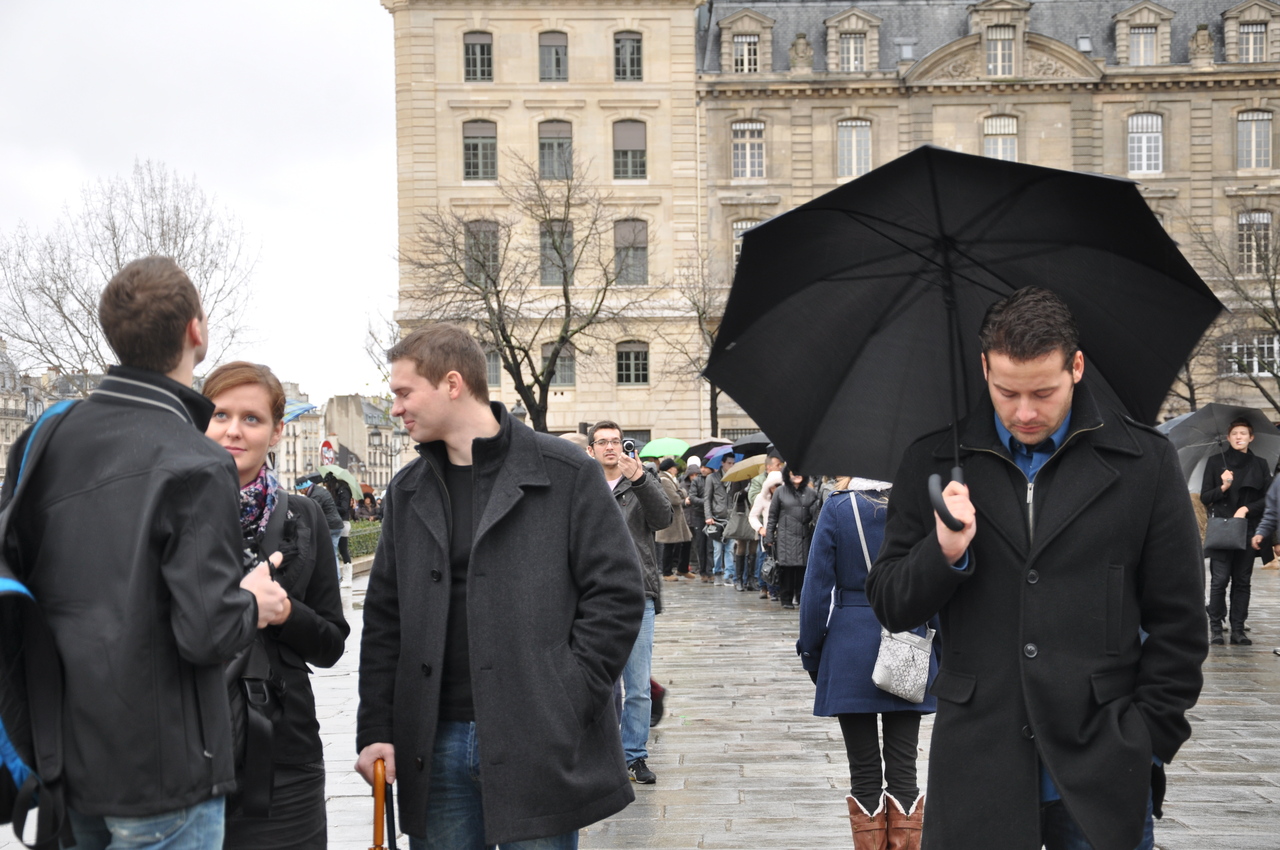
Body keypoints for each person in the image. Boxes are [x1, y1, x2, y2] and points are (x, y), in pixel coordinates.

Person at [866, 286, 1207, 850]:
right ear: (984, 369)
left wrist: (1148, 737)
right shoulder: (933, 460)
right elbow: (890, 602)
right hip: (977, 764)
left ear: (1076, 367)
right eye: (1006, 392)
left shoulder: (1144, 462)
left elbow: (1180, 621)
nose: (1024, 412)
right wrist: (943, 552)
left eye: (1043, 393)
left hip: (1104, 765)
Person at [1, 256, 288, 850]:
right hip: (165, 772)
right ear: (195, 332)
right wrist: (252, 601)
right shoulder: (196, 459)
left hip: (64, 757)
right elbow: (206, 632)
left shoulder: (45, 436)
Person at [355, 324, 645, 849]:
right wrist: (375, 729)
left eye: (403, 393)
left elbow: (618, 594)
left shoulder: (566, 472)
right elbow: (384, 619)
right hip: (433, 743)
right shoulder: (407, 489)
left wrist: (568, 693)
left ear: (451, 384)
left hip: (538, 738)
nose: (395, 409)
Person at [203, 362, 351, 849]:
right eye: (220, 414)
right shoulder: (169, 509)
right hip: (187, 752)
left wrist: (285, 613)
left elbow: (331, 642)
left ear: (276, 432)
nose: (233, 430)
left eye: (252, 418)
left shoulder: (303, 515)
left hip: (284, 752)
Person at [798, 481, 937, 850]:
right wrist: (937, 644)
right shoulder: (919, 505)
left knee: (863, 770)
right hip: (908, 635)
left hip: (850, 646)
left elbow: (816, 588)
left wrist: (811, 651)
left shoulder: (838, 507)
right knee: (904, 768)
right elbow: (935, 583)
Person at [586, 421, 673, 785]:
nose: (610, 447)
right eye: (602, 442)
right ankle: (604, 755)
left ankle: (634, 756)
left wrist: (639, 478)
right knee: (600, 684)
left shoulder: (641, 481)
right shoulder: (583, 486)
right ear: (590, 450)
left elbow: (664, 518)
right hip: (593, 598)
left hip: (638, 595)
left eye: (616, 441)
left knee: (637, 686)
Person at [1202, 419, 1271, 646]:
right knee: (1219, 580)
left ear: (1251, 438)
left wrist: (1245, 509)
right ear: (1228, 437)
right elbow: (1205, 497)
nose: (1239, 437)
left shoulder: (1260, 464)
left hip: (1248, 529)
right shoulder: (1215, 462)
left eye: (1243, 433)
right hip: (1222, 529)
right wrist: (1223, 487)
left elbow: (1269, 498)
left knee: (1242, 581)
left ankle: (1238, 630)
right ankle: (1216, 629)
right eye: (1234, 433)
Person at [766, 465, 818, 609]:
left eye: (799, 472)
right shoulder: (780, 492)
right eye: (793, 472)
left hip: (804, 536)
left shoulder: (811, 493)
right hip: (785, 537)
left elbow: (816, 515)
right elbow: (772, 516)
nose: (796, 475)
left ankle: (801, 597)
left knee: (802, 569)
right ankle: (786, 599)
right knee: (787, 570)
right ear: (787, 474)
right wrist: (769, 536)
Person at [656, 458, 692, 582]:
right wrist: (682, 492)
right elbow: (675, 499)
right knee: (669, 544)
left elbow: (677, 494)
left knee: (686, 541)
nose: (676, 469)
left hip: (677, 517)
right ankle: (667, 572)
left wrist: (679, 493)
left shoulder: (671, 479)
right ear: (670, 468)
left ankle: (682, 568)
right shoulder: (664, 480)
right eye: (674, 467)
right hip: (670, 517)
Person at [749, 471, 783, 599]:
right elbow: (752, 516)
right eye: (774, 486)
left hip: (784, 534)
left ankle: (779, 589)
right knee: (767, 561)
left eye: (779, 485)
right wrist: (760, 528)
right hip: (768, 534)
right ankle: (767, 588)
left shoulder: (786, 497)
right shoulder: (761, 497)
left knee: (781, 562)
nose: (776, 488)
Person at [703, 454, 737, 585]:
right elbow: (707, 498)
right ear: (723, 463)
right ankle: (717, 572)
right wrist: (708, 516)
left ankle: (729, 574)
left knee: (729, 549)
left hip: (731, 518)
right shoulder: (712, 478)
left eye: (733, 463)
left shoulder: (735, 477)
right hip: (717, 518)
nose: (731, 465)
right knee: (717, 549)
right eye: (729, 463)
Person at [296, 472, 343, 565]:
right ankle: (335, 573)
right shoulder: (319, 490)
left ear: (305, 488)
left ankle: (332, 574)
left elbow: (312, 512)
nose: (301, 493)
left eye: (300, 491)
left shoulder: (316, 495)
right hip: (336, 525)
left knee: (327, 554)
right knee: (333, 553)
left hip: (330, 526)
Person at [683, 458, 710, 581]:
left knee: (711, 546)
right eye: (702, 467)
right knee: (700, 544)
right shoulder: (697, 481)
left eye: (705, 467)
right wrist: (707, 502)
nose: (703, 470)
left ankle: (710, 571)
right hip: (698, 515)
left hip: (712, 516)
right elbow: (692, 497)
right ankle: (703, 571)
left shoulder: (714, 479)